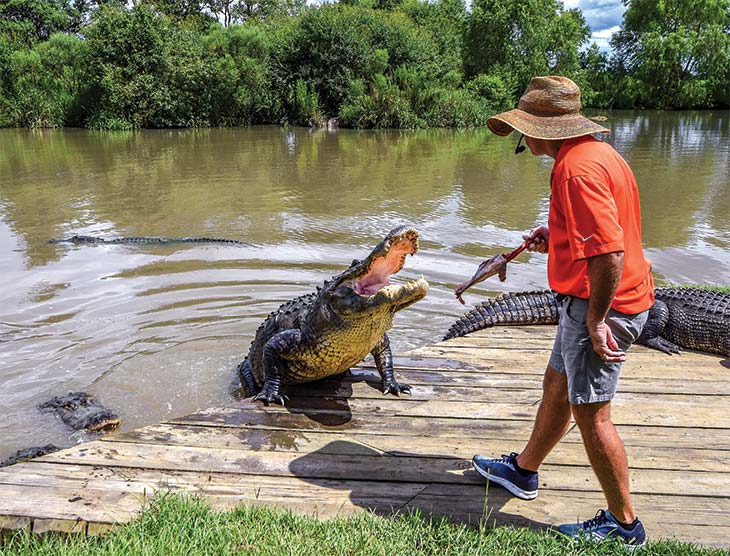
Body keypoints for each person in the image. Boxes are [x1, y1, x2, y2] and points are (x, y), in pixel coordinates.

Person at [471, 76, 654, 548]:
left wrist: (596, 321)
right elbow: (604, 233)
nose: (521, 138)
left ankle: (624, 525)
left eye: (524, 128)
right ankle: (524, 471)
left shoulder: (576, 170)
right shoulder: (598, 155)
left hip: (603, 306)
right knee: (557, 383)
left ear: (544, 129)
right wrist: (556, 237)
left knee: (593, 414)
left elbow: (609, 254)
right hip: (591, 300)